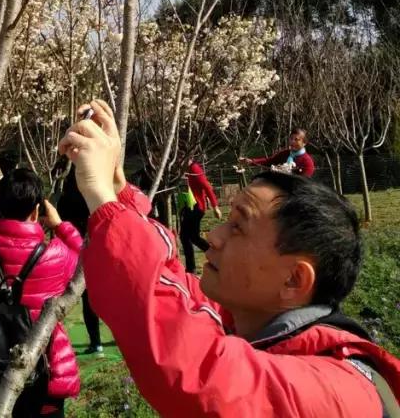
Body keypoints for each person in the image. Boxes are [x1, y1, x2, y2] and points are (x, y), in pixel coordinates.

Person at [59, 100, 400, 418]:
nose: (214, 236)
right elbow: (176, 292)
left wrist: (101, 199)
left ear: (294, 280)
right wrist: (118, 191)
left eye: (238, 226)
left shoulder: (336, 391)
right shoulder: (253, 320)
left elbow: (199, 374)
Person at [0, 168, 82, 417]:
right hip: (43, 369)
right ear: (37, 210)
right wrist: (61, 226)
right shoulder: (56, 254)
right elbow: (88, 264)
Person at [57, 164, 103, 354]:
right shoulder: (92, 195)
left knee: (87, 298)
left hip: (77, 254)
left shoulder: (64, 199)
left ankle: (96, 342)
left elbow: (60, 227)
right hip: (98, 249)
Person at [178, 158, 222, 273]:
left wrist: (215, 207)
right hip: (190, 206)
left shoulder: (194, 169)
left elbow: (207, 187)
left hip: (197, 207)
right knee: (192, 237)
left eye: (180, 159)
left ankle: (191, 268)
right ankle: (214, 257)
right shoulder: (187, 170)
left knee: (186, 236)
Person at [240, 128, 315, 177]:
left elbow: (304, 183)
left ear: (304, 143)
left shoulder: (307, 162)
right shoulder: (285, 153)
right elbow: (269, 161)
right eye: (291, 138)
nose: (292, 142)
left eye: (296, 139)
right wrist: (251, 161)